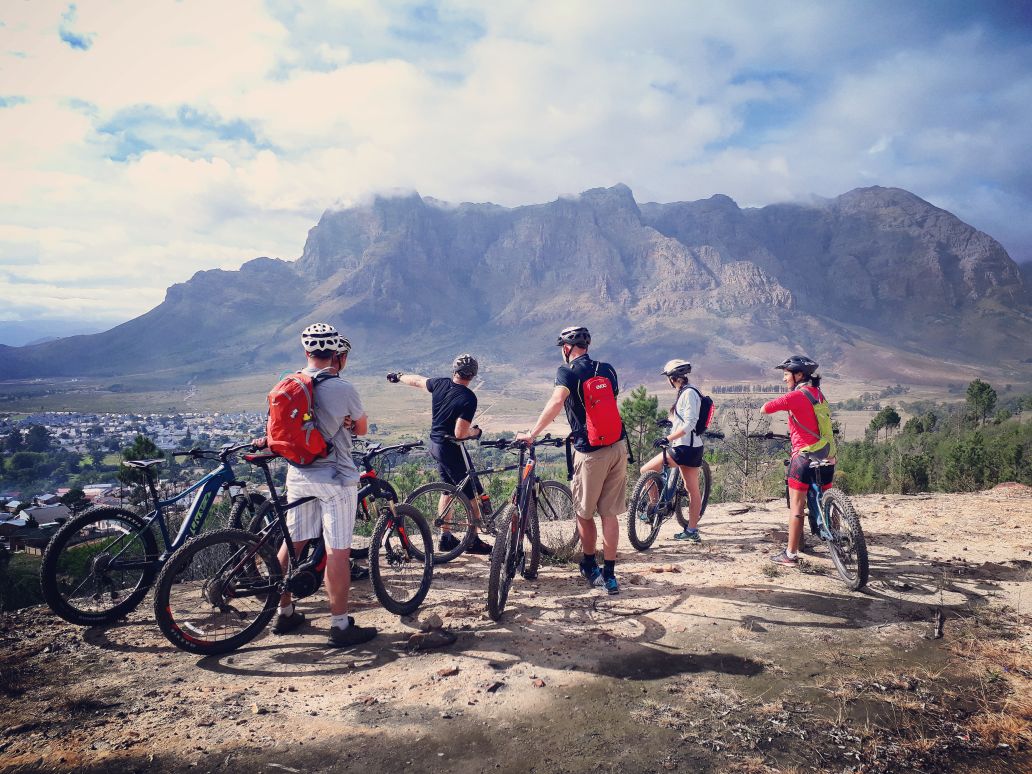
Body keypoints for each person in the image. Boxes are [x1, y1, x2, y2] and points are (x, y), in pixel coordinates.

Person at [267, 323, 377, 647]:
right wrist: (346, 421)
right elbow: (362, 428)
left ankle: (283, 611)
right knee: (337, 551)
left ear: (306, 352)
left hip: (299, 475)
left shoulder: (290, 383)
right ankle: (340, 626)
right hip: (335, 478)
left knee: (293, 543)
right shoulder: (342, 388)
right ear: (338, 356)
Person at [516, 326, 625, 595]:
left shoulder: (567, 371)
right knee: (609, 514)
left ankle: (590, 565)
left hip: (590, 452)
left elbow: (557, 402)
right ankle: (610, 575)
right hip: (618, 446)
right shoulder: (607, 369)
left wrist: (532, 433)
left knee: (584, 513)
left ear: (567, 348)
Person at [386, 355, 491, 554]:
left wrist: (398, 377)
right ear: (473, 375)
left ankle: (446, 538)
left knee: (448, 490)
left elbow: (417, 380)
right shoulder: (468, 398)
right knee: (473, 495)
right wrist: (475, 432)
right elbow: (460, 433)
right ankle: (473, 541)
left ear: (454, 370)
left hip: (435, 445)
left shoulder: (440, 384)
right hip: (450, 448)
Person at [761, 355, 837, 567]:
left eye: (786, 375)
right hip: (827, 454)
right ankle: (840, 539)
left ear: (799, 374)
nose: (784, 379)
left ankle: (790, 554)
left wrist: (786, 400)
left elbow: (765, 409)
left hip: (803, 457)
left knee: (797, 508)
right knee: (829, 500)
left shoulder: (796, 396)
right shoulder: (818, 394)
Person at [639, 359, 705, 542]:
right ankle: (692, 531)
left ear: (672, 378)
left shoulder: (688, 393)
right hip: (693, 447)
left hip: (683, 448)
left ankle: (654, 506)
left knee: (646, 470)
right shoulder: (687, 391)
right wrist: (669, 421)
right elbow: (683, 418)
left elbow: (689, 424)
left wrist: (668, 438)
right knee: (692, 490)